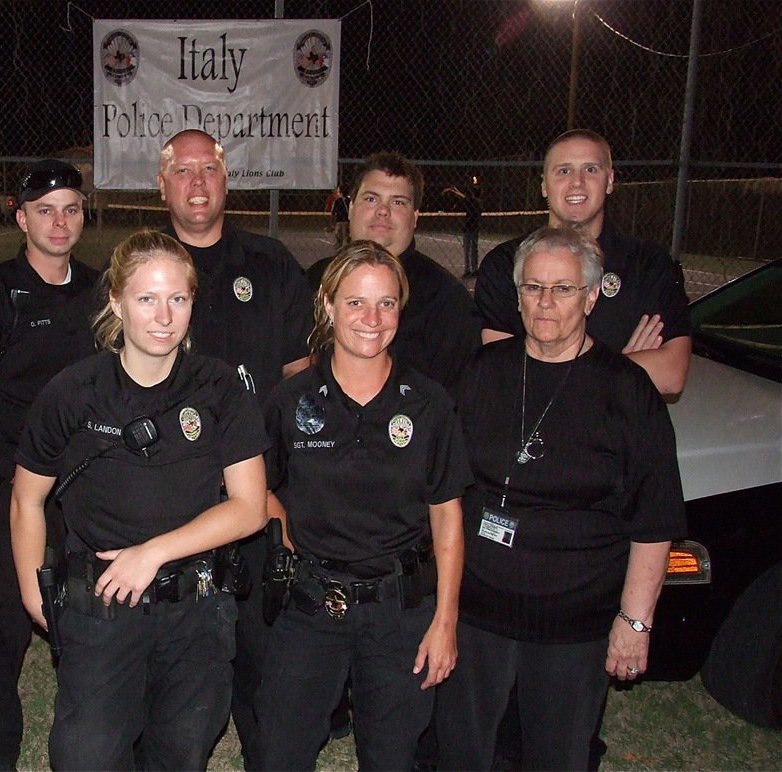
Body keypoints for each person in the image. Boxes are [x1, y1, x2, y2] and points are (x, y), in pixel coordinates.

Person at [10, 229, 269, 770]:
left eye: (178, 298)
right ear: (116, 301)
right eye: (146, 298)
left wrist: (154, 552)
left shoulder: (219, 390)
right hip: (102, 606)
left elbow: (250, 507)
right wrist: (37, 598)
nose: (163, 316)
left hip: (194, 605)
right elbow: (27, 499)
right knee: (87, 756)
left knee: (181, 750)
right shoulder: (73, 391)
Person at [436, 226, 686, 770]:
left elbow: (655, 517)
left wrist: (635, 622)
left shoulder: (626, 391)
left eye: (562, 289)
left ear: (591, 297)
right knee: (461, 751)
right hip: (477, 609)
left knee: (558, 755)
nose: (544, 302)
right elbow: (443, 488)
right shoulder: (480, 373)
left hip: (574, 620)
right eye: (532, 287)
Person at [253, 241, 470, 771]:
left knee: (393, 757)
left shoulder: (429, 403)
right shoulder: (291, 400)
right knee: (279, 752)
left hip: (399, 609)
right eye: (356, 303)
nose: (372, 319)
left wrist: (445, 621)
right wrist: (285, 531)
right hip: (309, 605)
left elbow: (447, 517)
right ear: (327, 306)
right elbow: (256, 484)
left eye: (387, 303)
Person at [156, 128, 312, 764]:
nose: (197, 184)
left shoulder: (271, 264)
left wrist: (286, 487)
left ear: (227, 181)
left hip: (259, 494)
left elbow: (301, 381)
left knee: (263, 662)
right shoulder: (140, 269)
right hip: (170, 497)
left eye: (209, 171)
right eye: (183, 172)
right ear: (161, 185)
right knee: (174, 669)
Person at [0, 159, 100, 771]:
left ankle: (90, 745)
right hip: (11, 488)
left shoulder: (101, 289)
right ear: (21, 218)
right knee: (6, 633)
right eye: (45, 210)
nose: (59, 222)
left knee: (86, 627)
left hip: (83, 491)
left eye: (71, 209)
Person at [474, 129, 692, 397]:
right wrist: (621, 369)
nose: (577, 182)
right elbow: (505, 375)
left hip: (619, 432)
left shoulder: (648, 264)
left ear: (610, 180)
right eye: (563, 171)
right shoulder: (505, 264)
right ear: (544, 185)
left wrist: (554, 372)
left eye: (591, 169)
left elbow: (671, 375)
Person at [309, 152, 481, 391]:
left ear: (415, 217)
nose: (383, 211)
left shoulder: (447, 301)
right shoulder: (312, 281)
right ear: (350, 207)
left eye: (398, 202)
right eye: (371, 199)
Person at [443, 175, 483, 278]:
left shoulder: (472, 202)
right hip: (475, 228)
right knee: (474, 249)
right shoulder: (477, 203)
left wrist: (454, 190)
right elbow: (464, 197)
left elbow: (464, 197)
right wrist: (455, 190)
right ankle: (474, 269)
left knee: (468, 250)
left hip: (469, 228)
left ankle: (468, 270)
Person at [329, 185, 350, 250]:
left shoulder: (337, 201)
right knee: (346, 238)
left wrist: (332, 222)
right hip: (347, 221)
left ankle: (339, 251)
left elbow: (333, 212)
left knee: (339, 239)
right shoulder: (350, 201)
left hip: (339, 221)